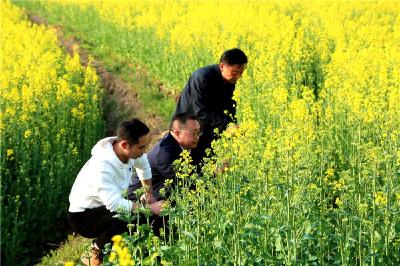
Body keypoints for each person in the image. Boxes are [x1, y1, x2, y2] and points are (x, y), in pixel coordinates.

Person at [68, 118, 164, 266]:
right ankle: (94, 254)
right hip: (83, 217)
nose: (144, 152)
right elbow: (115, 204)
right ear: (125, 145)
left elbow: (144, 165)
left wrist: (148, 193)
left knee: (139, 215)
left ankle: (146, 252)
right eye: (141, 147)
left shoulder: (127, 152)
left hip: (102, 208)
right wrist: (151, 208)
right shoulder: (103, 165)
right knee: (128, 216)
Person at [173, 48, 248, 158]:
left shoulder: (229, 79)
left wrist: (233, 124)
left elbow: (229, 106)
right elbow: (200, 111)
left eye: (241, 73)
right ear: (222, 66)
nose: (238, 77)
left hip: (207, 125)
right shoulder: (202, 77)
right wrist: (227, 126)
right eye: (235, 72)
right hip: (187, 125)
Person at [128, 113, 202, 201]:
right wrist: (214, 172)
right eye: (194, 133)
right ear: (178, 134)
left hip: (159, 192)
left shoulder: (183, 145)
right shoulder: (165, 153)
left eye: (199, 132)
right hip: (139, 200)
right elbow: (186, 182)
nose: (197, 137)